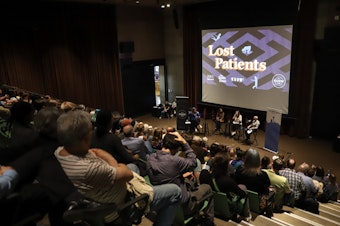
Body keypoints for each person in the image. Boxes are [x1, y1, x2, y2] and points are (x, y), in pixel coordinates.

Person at [55, 110, 182, 226]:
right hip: (122, 206)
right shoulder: (90, 168)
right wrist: (102, 153)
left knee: (133, 166)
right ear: (84, 138)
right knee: (175, 192)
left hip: (102, 192)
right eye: (90, 131)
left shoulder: (59, 152)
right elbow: (127, 174)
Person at [146, 132, 214, 225]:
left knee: (188, 182)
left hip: (162, 202)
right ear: (177, 148)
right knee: (207, 188)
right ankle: (209, 221)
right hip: (183, 205)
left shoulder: (151, 158)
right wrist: (185, 143)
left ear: (163, 143)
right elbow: (193, 162)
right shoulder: (176, 161)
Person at [200, 151, 251, 222]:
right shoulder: (228, 181)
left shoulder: (204, 175)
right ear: (226, 166)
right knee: (243, 188)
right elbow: (242, 194)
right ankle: (247, 216)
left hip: (212, 205)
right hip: (226, 208)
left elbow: (205, 170)